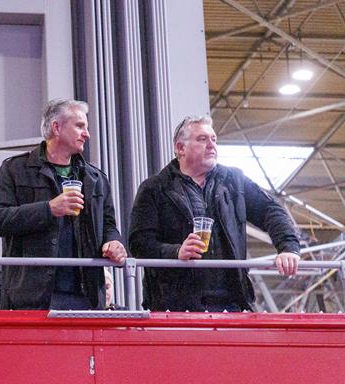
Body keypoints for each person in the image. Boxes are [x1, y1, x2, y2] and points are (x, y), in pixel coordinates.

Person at [128, 114, 300, 311]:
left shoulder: (235, 181)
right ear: (180, 148)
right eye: (202, 139)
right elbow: (139, 244)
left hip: (233, 304)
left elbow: (271, 210)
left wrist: (288, 248)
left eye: (214, 139)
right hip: (174, 307)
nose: (211, 145)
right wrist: (176, 252)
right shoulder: (154, 188)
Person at [0, 98, 127, 310]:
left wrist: (114, 243)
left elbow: (108, 224)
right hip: (31, 298)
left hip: (86, 296)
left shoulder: (96, 178)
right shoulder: (15, 170)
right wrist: (48, 209)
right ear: (57, 127)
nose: (87, 134)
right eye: (80, 126)